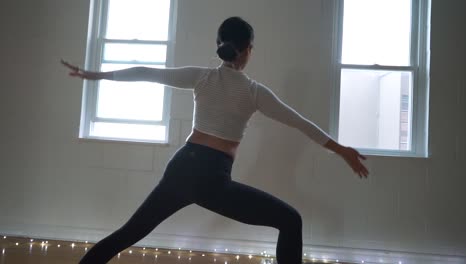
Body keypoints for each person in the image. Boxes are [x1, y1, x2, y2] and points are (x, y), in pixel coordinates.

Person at [62, 16, 368, 264]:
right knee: (290, 221)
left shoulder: (201, 76)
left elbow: (147, 72)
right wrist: (342, 151)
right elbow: (301, 124)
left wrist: (96, 75)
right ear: (249, 49)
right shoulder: (253, 92)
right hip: (211, 178)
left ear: (219, 45)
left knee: (128, 234)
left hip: (182, 168)